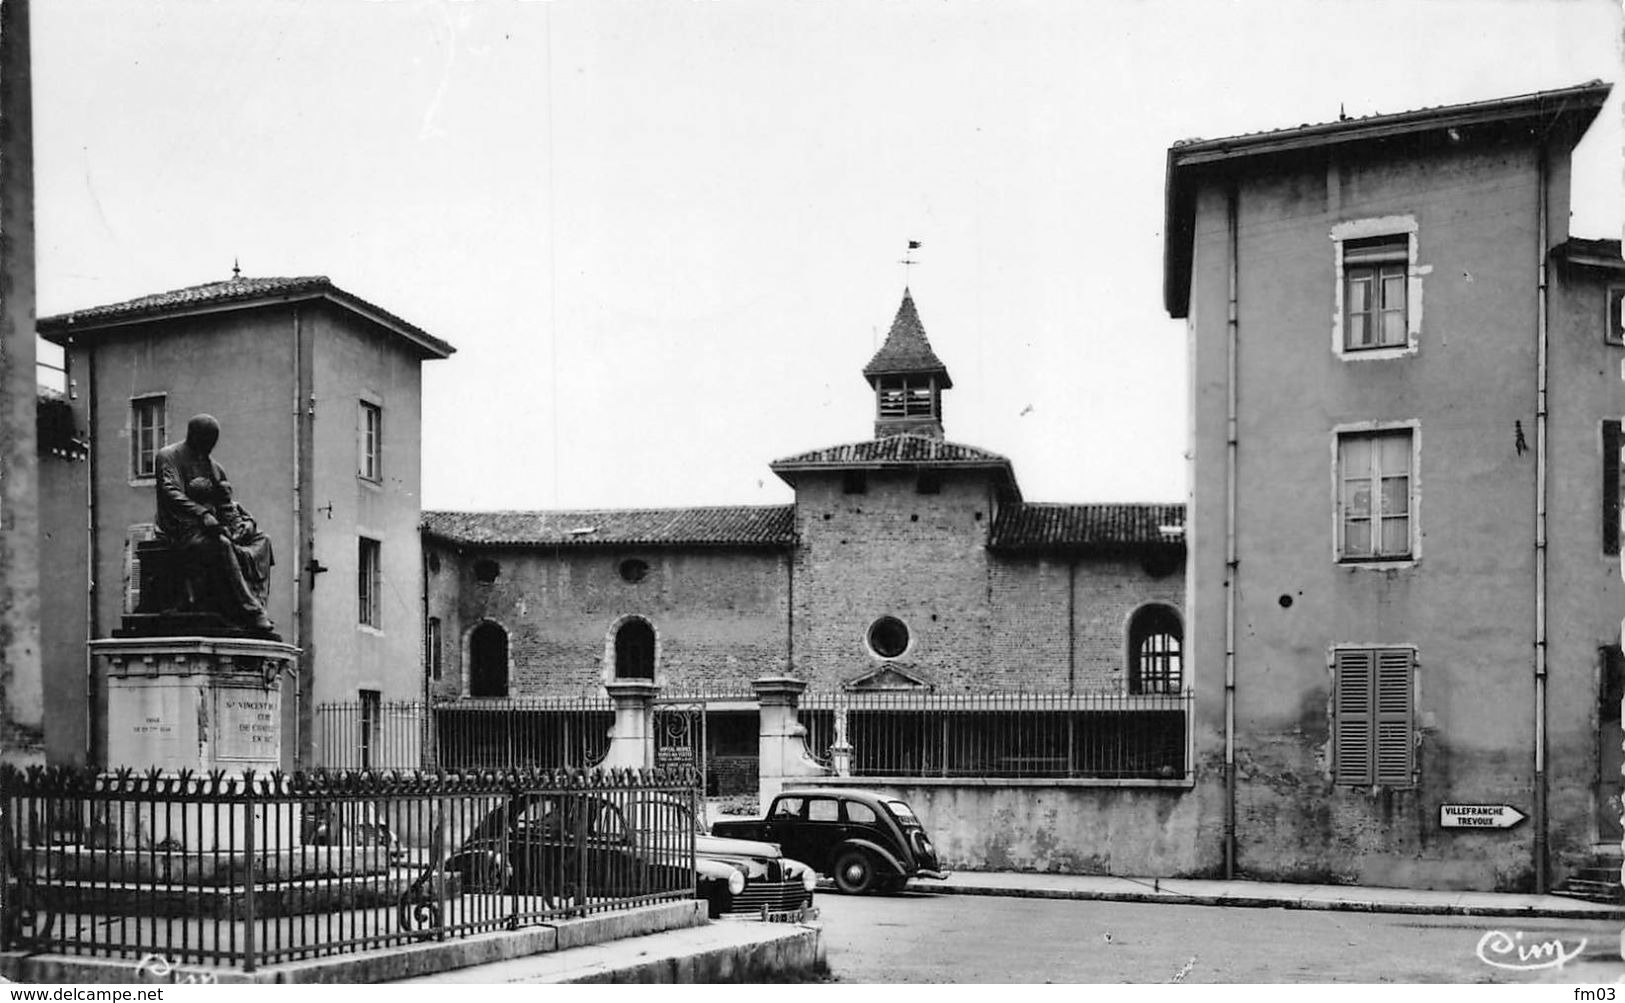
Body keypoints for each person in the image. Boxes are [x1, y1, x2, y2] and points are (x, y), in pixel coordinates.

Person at [154, 414, 275, 633]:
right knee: (221, 544)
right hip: (181, 526)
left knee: (262, 540)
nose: (208, 448)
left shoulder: (214, 467)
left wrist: (242, 525)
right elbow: (170, 492)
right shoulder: (169, 456)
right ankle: (251, 611)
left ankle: (255, 601)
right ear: (194, 436)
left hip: (214, 526)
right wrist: (202, 514)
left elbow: (226, 503)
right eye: (205, 442)